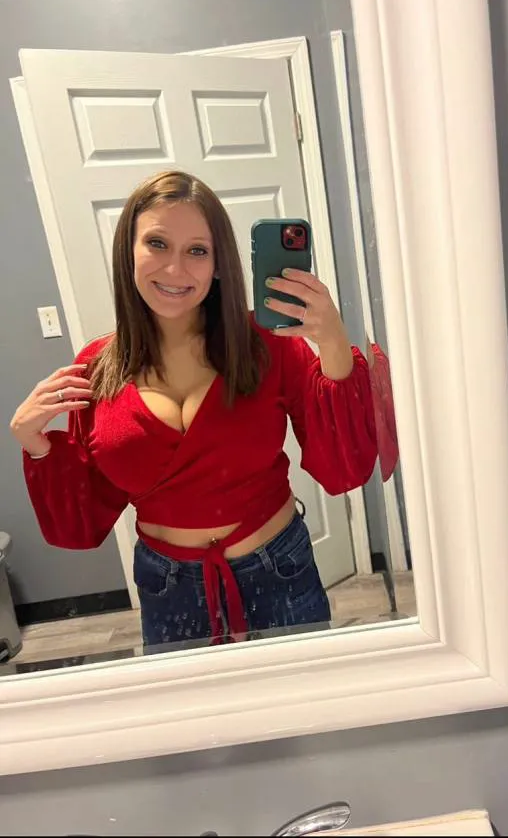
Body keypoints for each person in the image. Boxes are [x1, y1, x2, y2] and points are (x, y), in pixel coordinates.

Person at [10, 170, 395, 648]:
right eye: (157, 243)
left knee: (300, 697)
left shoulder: (266, 345)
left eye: (197, 250)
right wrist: (37, 445)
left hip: (278, 568)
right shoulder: (96, 369)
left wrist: (333, 341)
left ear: (218, 264)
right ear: (128, 250)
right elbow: (82, 525)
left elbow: (344, 469)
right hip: (168, 587)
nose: (175, 269)